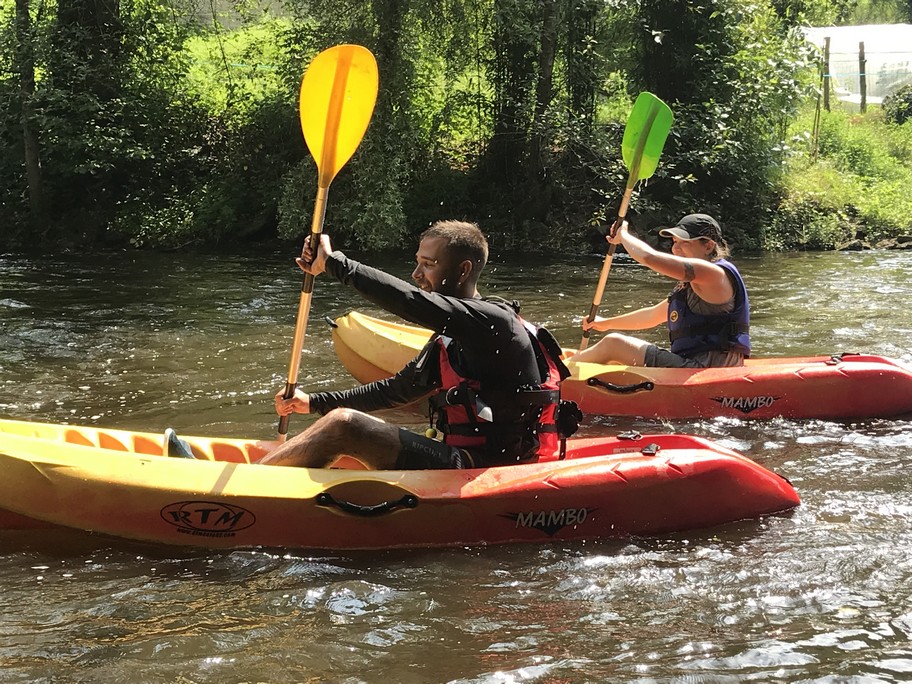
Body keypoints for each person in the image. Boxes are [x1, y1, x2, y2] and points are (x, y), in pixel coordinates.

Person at [258, 220, 580, 470]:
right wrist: (313, 402)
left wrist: (335, 264)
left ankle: (256, 488)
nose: (416, 274)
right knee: (343, 421)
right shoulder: (451, 335)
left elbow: (411, 302)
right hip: (463, 457)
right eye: (418, 262)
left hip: (490, 465)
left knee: (345, 425)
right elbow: (397, 390)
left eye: (428, 264)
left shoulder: (494, 323)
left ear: (462, 269)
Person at [572, 213, 750, 369]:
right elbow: (651, 316)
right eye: (674, 242)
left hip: (706, 369)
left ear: (708, 246)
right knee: (613, 348)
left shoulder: (714, 275)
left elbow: (649, 257)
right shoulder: (693, 286)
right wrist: (604, 324)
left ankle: (559, 376)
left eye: (684, 243)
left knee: (614, 344)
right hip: (695, 365)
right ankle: (571, 366)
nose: (676, 249)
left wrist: (623, 235)